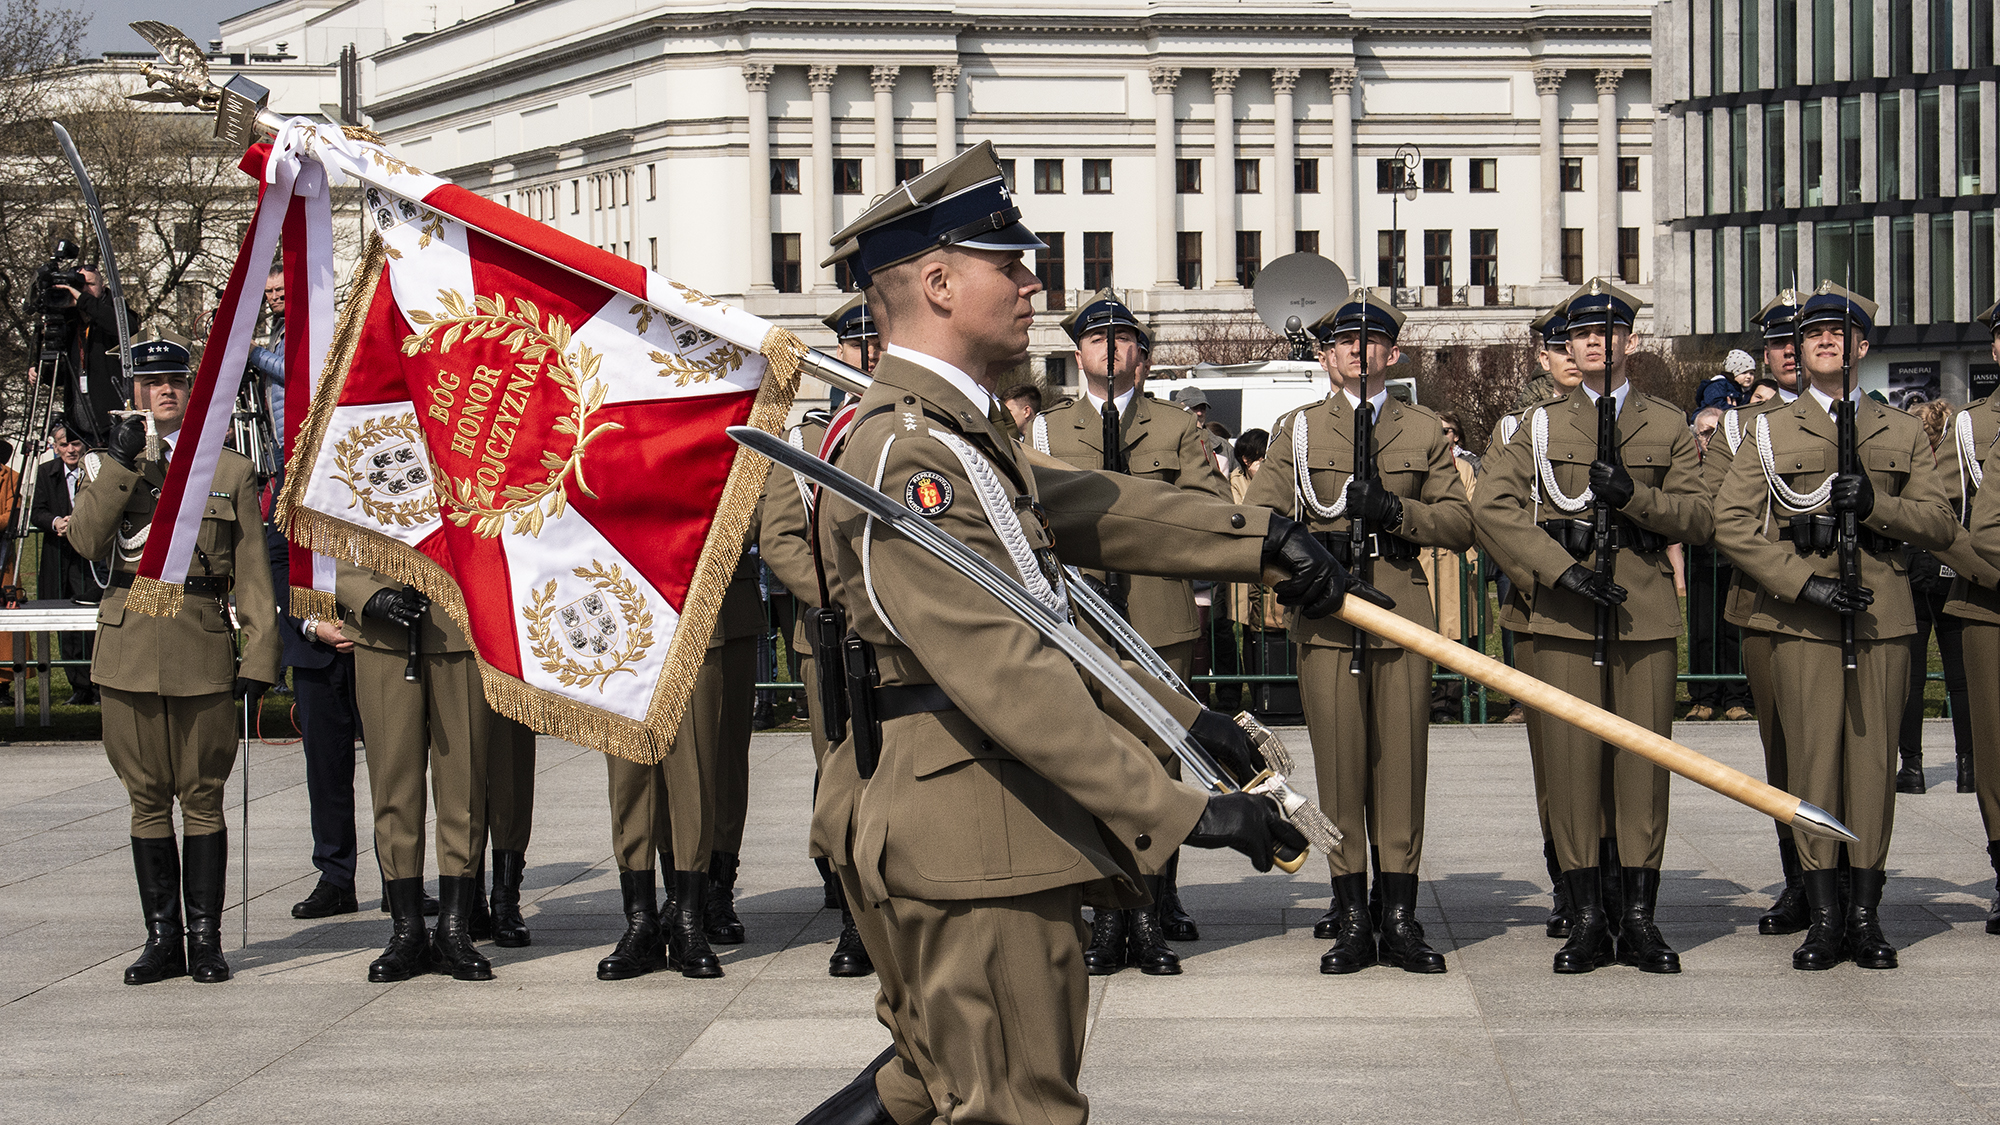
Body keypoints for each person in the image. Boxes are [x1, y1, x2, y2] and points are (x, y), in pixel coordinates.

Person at [799, 140, 1367, 1125]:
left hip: (975, 819)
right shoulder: (912, 457)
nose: (1034, 285)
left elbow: (1096, 509)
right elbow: (1008, 669)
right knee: (1017, 1106)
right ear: (938, 284)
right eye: (1009, 264)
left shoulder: (956, 436)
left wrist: (1261, 540)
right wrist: (1181, 809)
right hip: (971, 831)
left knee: (924, 1084)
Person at [1713, 282, 1955, 971]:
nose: (1825, 342)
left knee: (1873, 768)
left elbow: (1940, 523)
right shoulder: (1769, 430)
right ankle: (1823, 918)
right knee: (1813, 763)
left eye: (1839, 334)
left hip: (1881, 617)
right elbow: (1732, 523)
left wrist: (1878, 505)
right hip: (1803, 620)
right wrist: (1803, 583)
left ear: (1862, 346)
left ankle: (1865, 916)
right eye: (1813, 334)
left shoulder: (1900, 429)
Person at [1475, 280, 1707, 975]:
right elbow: (1493, 506)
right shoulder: (1540, 426)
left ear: (1630, 341)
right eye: (1582, 334)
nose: (1595, 343)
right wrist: (1560, 572)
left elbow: (1700, 516)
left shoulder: (1666, 423)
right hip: (1566, 613)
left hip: (1642, 611)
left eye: (1609, 332)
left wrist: (1635, 497)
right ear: (1568, 347)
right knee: (1573, 766)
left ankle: (1637, 917)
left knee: (1642, 767)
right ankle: (1584, 918)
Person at [1246, 289, 1473, 976]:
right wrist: (1298, 576)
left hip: (1400, 608)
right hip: (1328, 610)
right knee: (1340, 766)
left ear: (1392, 353)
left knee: (1401, 765)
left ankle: (1398, 916)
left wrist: (1397, 511)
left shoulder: (1423, 429)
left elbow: (1459, 523)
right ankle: (1350, 914)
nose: (1358, 349)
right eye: (1345, 340)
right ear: (1326, 356)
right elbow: (1260, 519)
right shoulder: (1297, 430)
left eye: (1372, 339)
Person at [1026, 287, 1230, 970]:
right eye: (1096, 339)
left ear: (1140, 354)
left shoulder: (1173, 426)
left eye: (1122, 340)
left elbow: (1207, 507)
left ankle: (1152, 908)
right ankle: (1108, 913)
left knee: (1160, 758)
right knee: (1095, 758)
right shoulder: (1047, 432)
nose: (1110, 349)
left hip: (1156, 611)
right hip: (1081, 618)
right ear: (1078, 353)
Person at [67, 337, 280, 985]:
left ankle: (205, 940)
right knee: (146, 798)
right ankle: (162, 940)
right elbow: (87, 541)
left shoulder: (227, 469)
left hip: (199, 643)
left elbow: (252, 573)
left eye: (174, 380)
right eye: (150, 381)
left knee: (204, 796)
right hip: (128, 643)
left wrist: (260, 653)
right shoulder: (106, 465)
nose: (163, 390)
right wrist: (121, 462)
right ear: (132, 391)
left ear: (192, 388)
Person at [335, 562, 535, 981]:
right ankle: (406, 931)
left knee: (462, 787)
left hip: (461, 624)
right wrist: (364, 592)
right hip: (382, 630)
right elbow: (334, 531)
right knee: (393, 787)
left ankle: (453, 929)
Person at [1697, 289, 1815, 934]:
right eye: (1777, 344)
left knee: (1856, 748)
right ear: (1763, 355)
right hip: (1769, 606)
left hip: (1851, 607)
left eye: (1799, 339)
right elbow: (1714, 511)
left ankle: (1853, 882)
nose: (1790, 352)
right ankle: (1800, 882)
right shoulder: (1739, 426)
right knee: (1785, 750)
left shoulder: (1859, 414)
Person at [596, 555, 754, 982]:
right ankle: (641, 924)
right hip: (619, 610)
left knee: (693, 777)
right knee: (629, 781)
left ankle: (687, 922)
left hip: (690, 604)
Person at [1478, 307, 1584, 933]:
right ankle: (1569, 883)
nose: (1574, 355)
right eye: (1561, 347)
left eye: (1583, 343)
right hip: (1544, 607)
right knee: (1556, 758)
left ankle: (1618, 882)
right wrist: (1542, 580)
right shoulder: (1517, 428)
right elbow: (1495, 517)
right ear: (1542, 357)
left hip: (1617, 606)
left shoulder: (1625, 418)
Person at [266, 520, 363, 920]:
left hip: (378, 642)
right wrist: (311, 623)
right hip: (315, 649)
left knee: (396, 770)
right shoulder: (294, 481)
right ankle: (335, 877)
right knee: (326, 770)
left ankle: (401, 878)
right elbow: (278, 560)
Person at [1945, 298, 2000, 933]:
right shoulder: (1970, 426)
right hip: (1991, 606)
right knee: (1995, 745)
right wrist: (1990, 574)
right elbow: (1940, 518)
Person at [1894, 400, 1970, 793]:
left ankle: (1912, 768)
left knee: (1912, 680)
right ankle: (1969, 767)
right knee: (1961, 679)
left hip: (1911, 568)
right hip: (1952, 567)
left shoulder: (1910, 464)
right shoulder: (1960, 462)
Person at [1682, 406, 1755, 723]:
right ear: (1696, 436)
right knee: (1702, 629)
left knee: (1733, 629)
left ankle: (1735, 697)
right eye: (1706, 432)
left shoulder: (1739, 462)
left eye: (1718, 431)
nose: (1712, 438)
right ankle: (1703, 697)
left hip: (1736, 558)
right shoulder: (1690, 465)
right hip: (1701, 556)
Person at [30, 422, 102, 703]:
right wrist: (56, 522)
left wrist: (83, 523)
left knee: (92, 620)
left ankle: (98, 685)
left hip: (88, 557)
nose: (71, 450)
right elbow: (37, 512)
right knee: (65, 620)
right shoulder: (45, 473)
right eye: (64, 445)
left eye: (75, 444)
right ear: (55, 447)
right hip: (58, 554)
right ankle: (79, 686)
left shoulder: (95, 470)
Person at [1695, 348, 1759, 413]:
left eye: (1751, 373)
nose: (1749, 376)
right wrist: (1732, 410)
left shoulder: (1746, 392)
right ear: (1733, 373)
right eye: (1743, 373)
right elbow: (1714, 404)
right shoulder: (1718, 385)